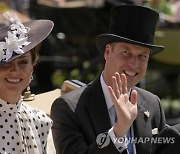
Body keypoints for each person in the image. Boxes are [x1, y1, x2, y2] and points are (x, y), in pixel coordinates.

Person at [50, 4, 166, 154]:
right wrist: (118, 132)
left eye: (142, 56)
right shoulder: (69, 108)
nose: (134, 63)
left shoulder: (152, 104)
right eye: (126, 52)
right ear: (108, 52)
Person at [0, 12, 54, 153]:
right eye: (5, 63)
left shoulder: (40, 121)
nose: (15, 70)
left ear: (32, 66)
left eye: (23, 62)